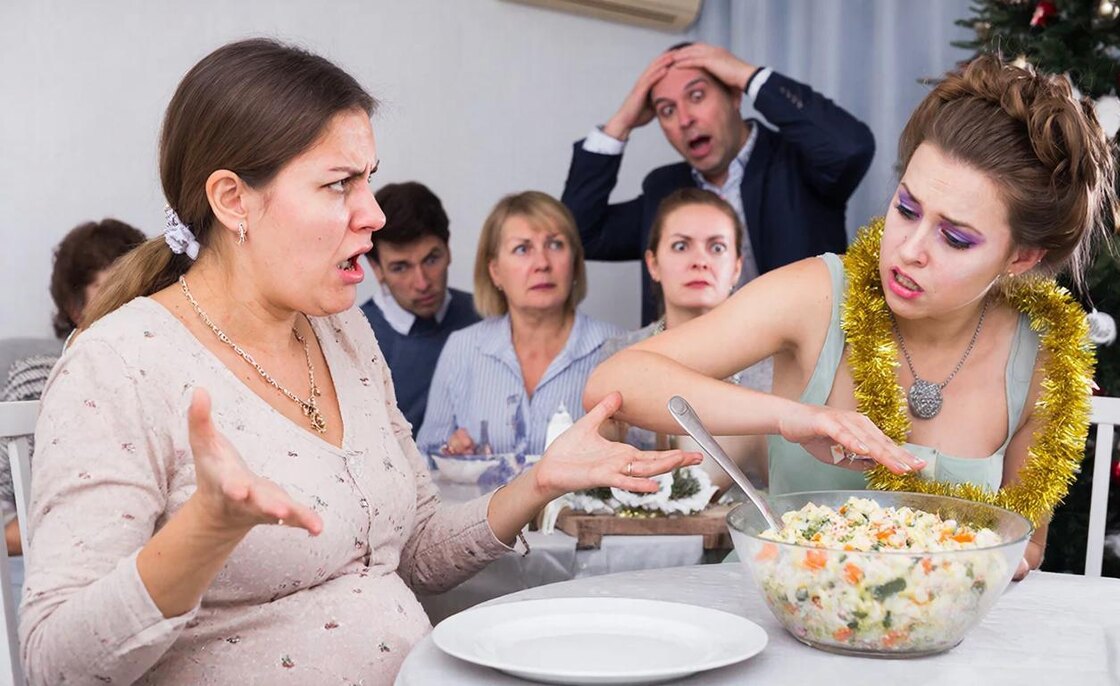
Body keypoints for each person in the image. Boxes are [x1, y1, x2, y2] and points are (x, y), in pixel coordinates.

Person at [19, 39, 698, 685]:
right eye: (339, 184)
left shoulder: (341, 331)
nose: (372, 215)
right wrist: (204, 534)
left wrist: (542, 480)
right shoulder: (118, 363)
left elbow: (418, 550)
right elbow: (56, 665)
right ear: (232, 200)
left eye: (368, 179)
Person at [586, 54, 1117, 581]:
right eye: (906, 209)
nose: (909, 250)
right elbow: (614, 383)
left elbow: (1027, 543)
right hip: (777, 606)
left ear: (1020, 258)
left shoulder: (1044, 358)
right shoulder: (816, 295)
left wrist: (995, 559)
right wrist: (789, 417)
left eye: (955, 238)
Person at [563, 42, 875, 325]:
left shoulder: (800, 162)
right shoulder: (664, 189)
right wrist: (622, 121)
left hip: (800, 363)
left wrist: (748, 75)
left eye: (697, 96)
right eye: (667, 110)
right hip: (687, 365)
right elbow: (579, 234)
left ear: (735, 95)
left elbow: (851, 148)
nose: (685, 119)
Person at [417, 191, 624, 460]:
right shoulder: (462, 348)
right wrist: (449, 453)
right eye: (522, 249)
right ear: (495, 271)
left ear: (574, 262)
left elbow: (646, 460)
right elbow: (423, 462)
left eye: (555, 245)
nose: (542, 264)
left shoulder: (618, 348)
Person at [598, 188, 771, 489]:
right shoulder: (619, 354)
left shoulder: (773, 363)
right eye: (681, 246)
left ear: (736, 268)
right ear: (653, 264)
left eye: (717, 248)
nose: (700, 261)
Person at [0, 218, 144, 555]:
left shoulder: (167, 363)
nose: (131, 304)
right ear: (75, 309)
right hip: (56, 555)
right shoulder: (40, 377)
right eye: (113, 293)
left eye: (142, 291)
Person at [360, 182, 480, 434]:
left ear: (448, 249)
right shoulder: (353, 339)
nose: (422, 283)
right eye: (400, 267)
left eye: (431, 259)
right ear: (376, 269)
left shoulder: (484, 317)